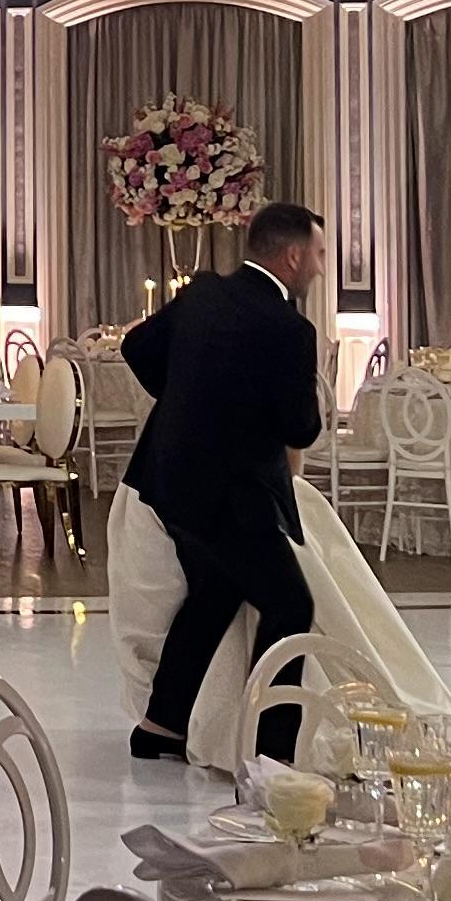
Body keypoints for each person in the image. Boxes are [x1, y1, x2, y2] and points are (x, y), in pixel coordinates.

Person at [123, 199, 328, 763]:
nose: (319, 267)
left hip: (170, 480)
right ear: (292, 257)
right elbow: (300, 428)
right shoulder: (290, 328)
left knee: (214, 592)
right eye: (317, 254)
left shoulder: (204, 292)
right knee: (291, 607)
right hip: (234, 496)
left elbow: (136, 347)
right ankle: (270, 753)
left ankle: (160, 727)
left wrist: (188, 398)